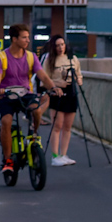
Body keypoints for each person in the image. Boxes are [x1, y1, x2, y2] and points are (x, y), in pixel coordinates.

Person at [0, 24, 59, 173]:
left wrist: (53, 87)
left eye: (28, 37)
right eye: (24, 37)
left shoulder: (31, 56)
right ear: (14, 39)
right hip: (7, 95)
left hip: (25, 93)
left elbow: (43, 76)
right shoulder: (1, 58)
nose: (28, 40)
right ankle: (8, 160)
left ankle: (33, 134)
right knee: (6, 122)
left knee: (36, 110)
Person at [43, 37, 83, 166]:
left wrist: (78, 80)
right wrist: (56, 83)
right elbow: (45, 79)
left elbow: (79, 74)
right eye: (57, 45)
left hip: (71, 93)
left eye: (62, 44)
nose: (60, 48)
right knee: (57, 125)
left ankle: (64, 154)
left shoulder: (72, 59)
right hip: (57, 93)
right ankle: (55, 156)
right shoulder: (49, 60)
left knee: (67, 126)